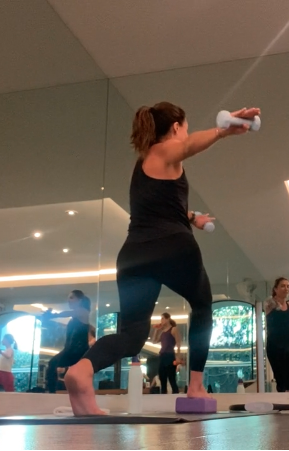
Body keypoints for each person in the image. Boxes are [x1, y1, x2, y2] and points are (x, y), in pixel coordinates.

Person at [63, 102, 259, 415]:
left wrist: (192, 217)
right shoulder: (164, 151)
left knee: (132, 337)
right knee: (202, 305)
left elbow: (163, 204)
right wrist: (222, 131)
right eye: (185, 127)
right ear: (176, 127)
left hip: (134, 256)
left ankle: (81, 370)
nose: (186, 134)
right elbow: (187, 146)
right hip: (173, 247)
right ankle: (196, 387)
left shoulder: (144, 164)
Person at [44, 290, 92, 394]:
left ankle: (54, 392)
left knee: (56, 365)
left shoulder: (83, 312)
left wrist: (54, 315)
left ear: (79, 300)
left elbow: (69, 313)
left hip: (79, 351)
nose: (69, 300)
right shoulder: (74, 317)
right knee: (53, 364)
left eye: (71, 297)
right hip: (70, 350)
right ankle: (52, 391)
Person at [151, 312, 182, 394]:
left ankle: (175, 395)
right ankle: (163, 395)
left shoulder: (173, 329)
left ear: (168, 319)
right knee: (162, 378)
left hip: (170, 355)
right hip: (162, 356)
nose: (161, 320)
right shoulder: (163, 332)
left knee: (172, 378)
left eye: (163, 318)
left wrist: (178, 357)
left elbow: (178, 343)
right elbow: (154, 341)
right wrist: (156, 330)